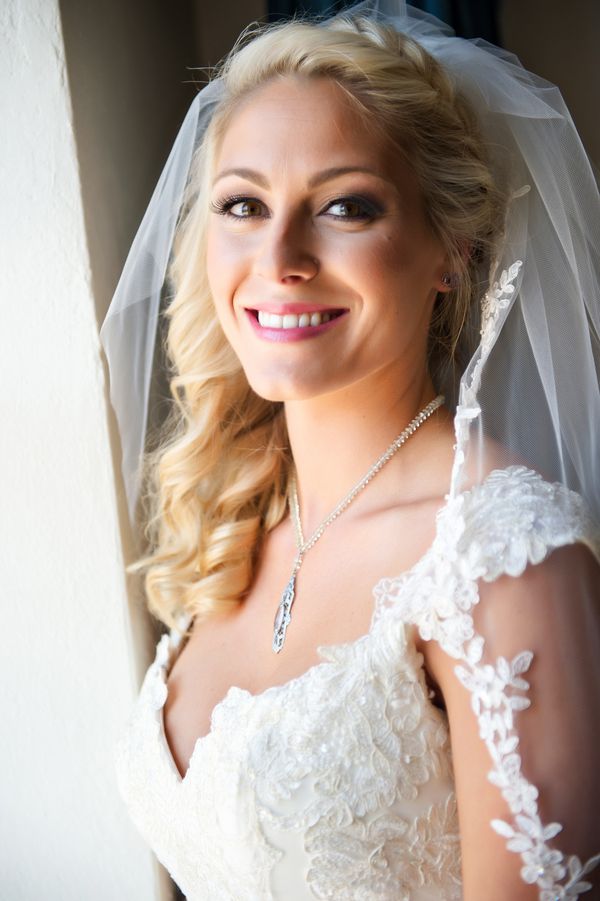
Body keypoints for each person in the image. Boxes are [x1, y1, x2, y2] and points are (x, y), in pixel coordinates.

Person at [104, 2, 600, 899]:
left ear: (452, 248)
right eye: (244, 204)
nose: (280, 256)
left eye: (344, 206)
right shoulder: (237, 517)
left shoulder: (499, 555)